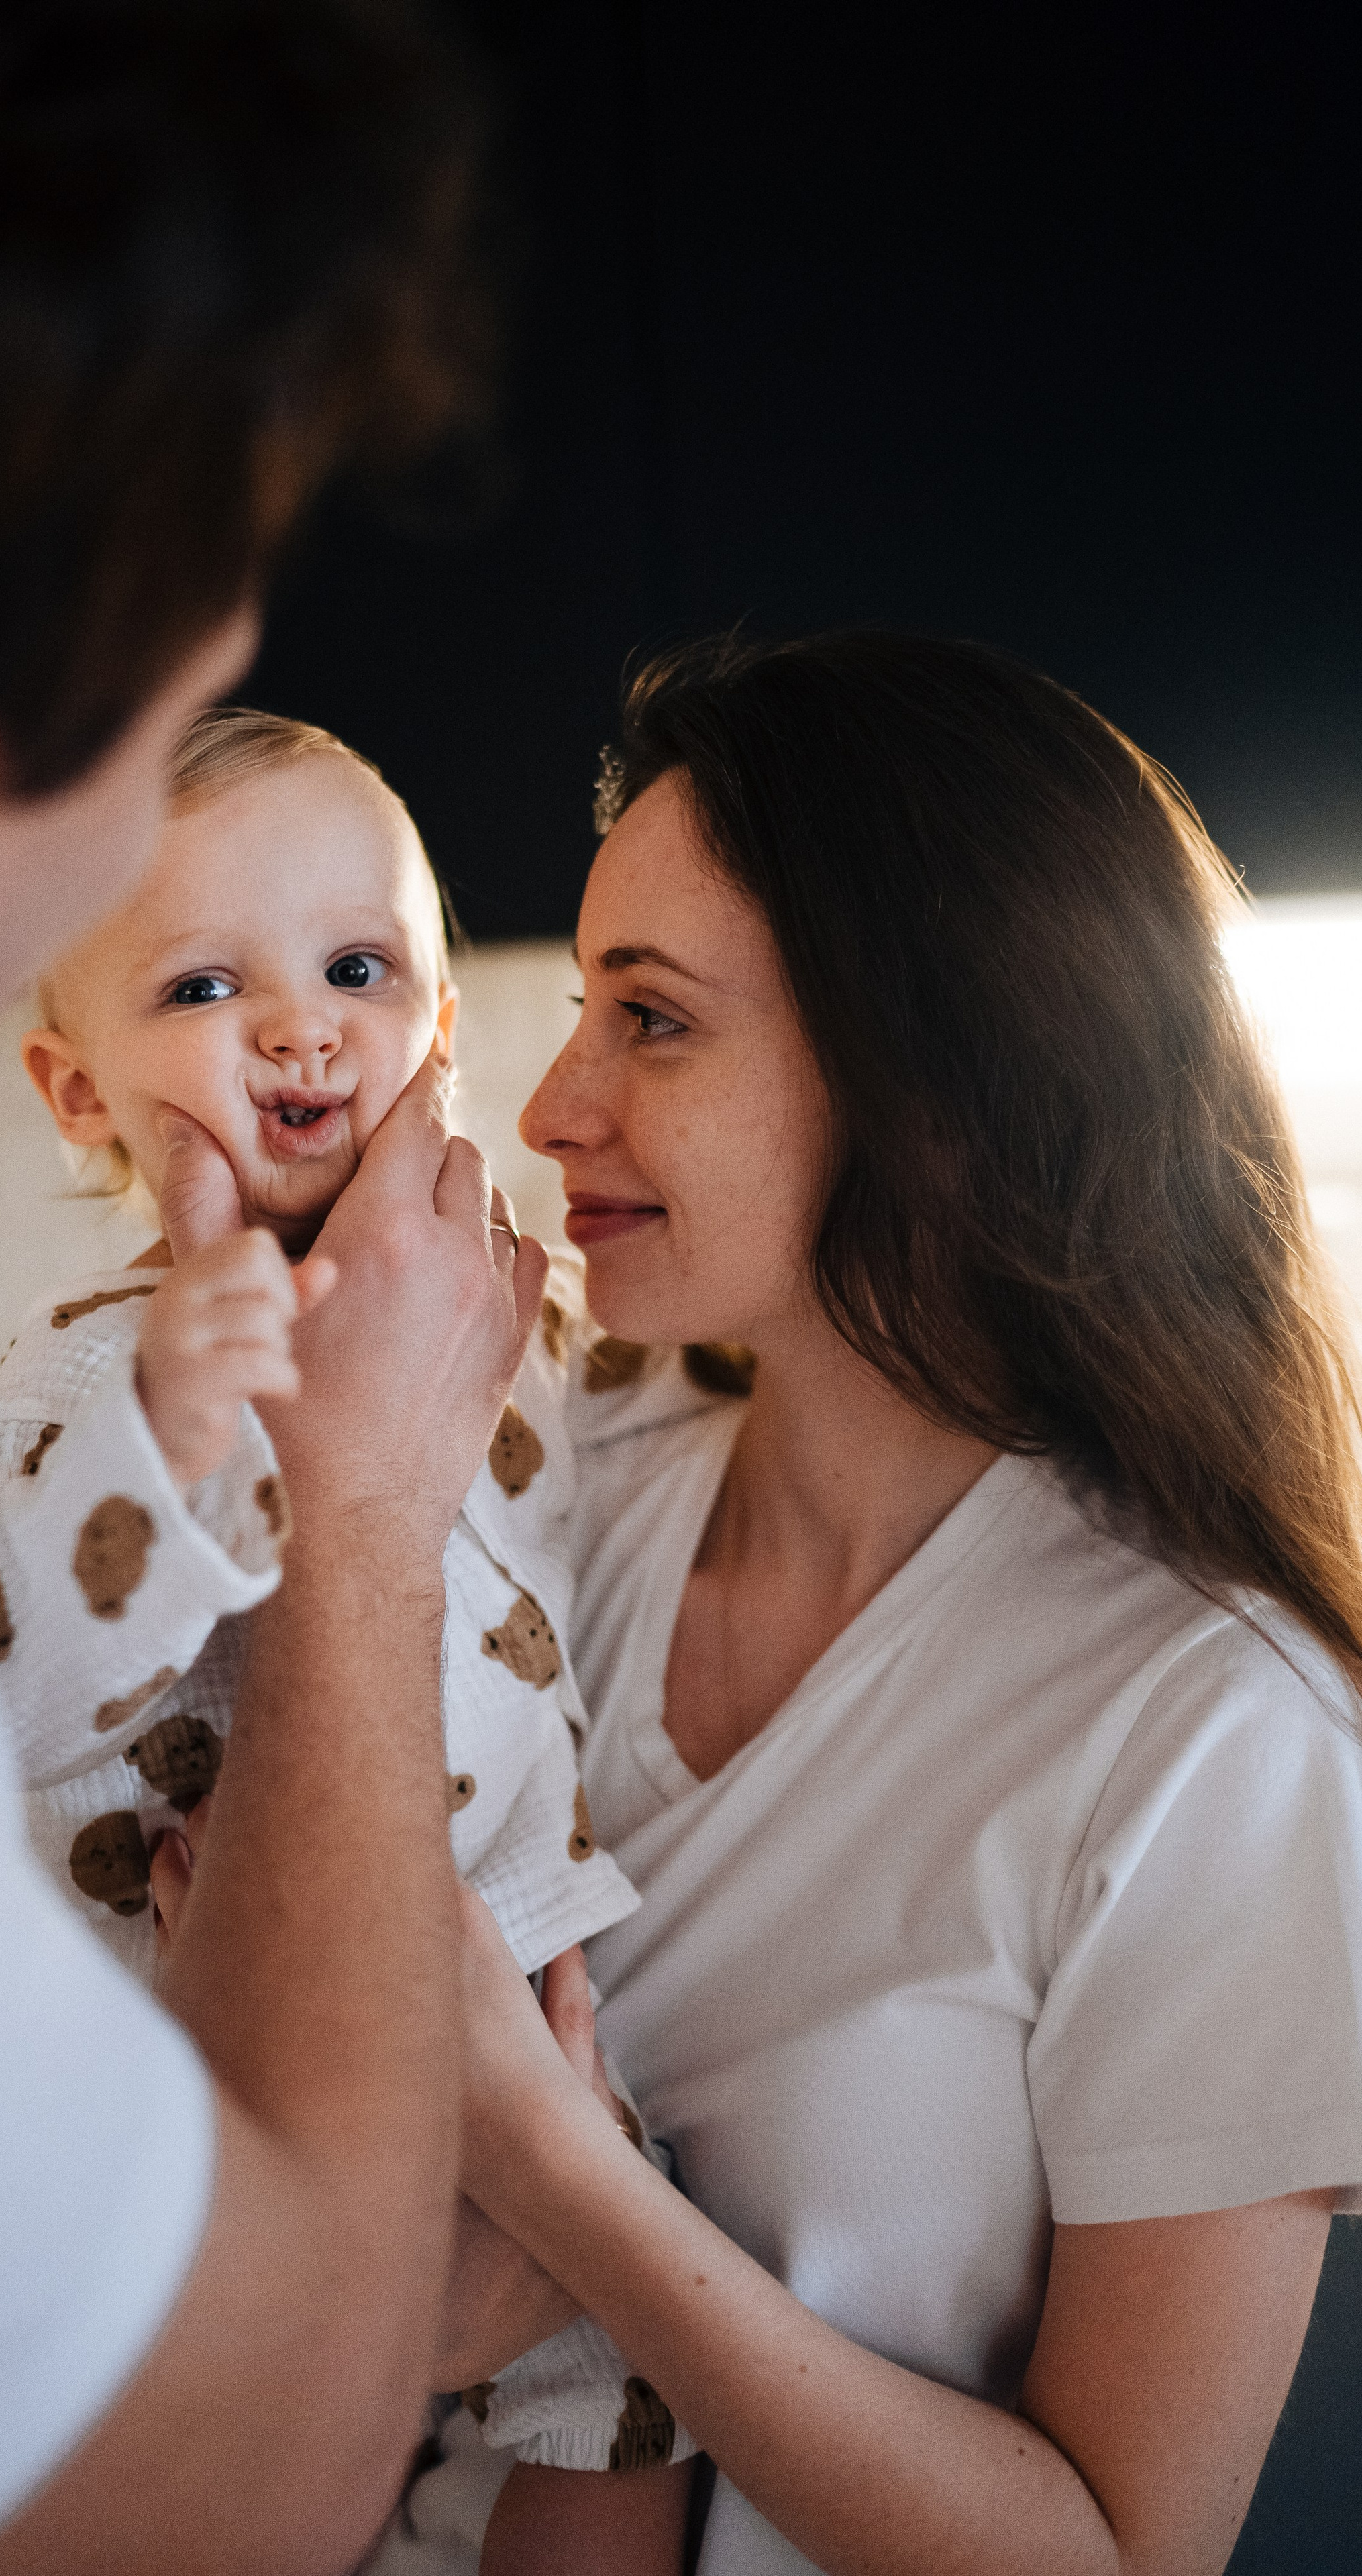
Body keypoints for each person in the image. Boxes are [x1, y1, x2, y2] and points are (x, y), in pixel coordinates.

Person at [0, 8, 545, 2573]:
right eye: (157, 747)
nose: (293, 1020)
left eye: (357, 968)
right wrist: (356, 1512)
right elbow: (239, 2480)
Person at [441, 633, 1362, 2576]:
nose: (553, 1106)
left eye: (652, 1020)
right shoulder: (556, 1489)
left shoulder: (1217, 1731)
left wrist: (557, 2184)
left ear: (937, 1075)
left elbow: (1116, 2552)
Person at [0, 698, 672, 2478]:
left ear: (440, 1024)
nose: (299, 1027)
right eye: (202, 987)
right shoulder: (80, 1383)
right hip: (207, 2087)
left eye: (358, 968)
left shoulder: (514, 1308)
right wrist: (171, 1432)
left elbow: (656, 1438)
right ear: (78, 1091)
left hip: (518, 2020)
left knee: (625, 2403)